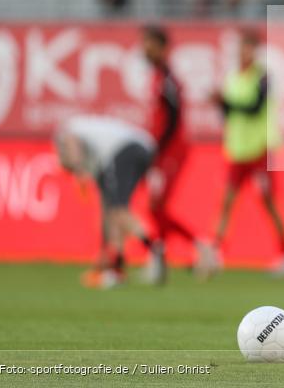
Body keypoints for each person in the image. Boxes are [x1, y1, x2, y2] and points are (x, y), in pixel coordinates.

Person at [209, 30, 284, 277]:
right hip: (237, 150)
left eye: (247, 48)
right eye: (240, 48)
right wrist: (221, 104)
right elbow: (229, 114)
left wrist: (224, 102)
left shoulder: (264, 77)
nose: (242, 53)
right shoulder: (232, 77)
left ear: (255, 50)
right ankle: (216, 252)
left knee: (268, 202)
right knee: (226, 202)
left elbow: (254, 108)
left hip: (259, 149)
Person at [54, 115, 162, 289]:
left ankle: (154, 249)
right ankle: (115, 266)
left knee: (118, 210)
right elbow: (105, 210)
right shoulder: (97, 157)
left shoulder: (67, 132)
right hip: (140, 148)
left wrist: (79, 172)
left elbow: (73, 153)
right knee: (112, 210)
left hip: (128, 150)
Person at [141, 25, 211, 283]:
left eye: (148, 44)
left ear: (161, 47)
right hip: (163, 151)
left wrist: (157, 150)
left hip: (170, 152)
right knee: (154, 208)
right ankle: (162, 258)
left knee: (155, 206)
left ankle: (198, 247)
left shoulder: (167, 79)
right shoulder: (159, 76)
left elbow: (173, 117)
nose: (144, 49)